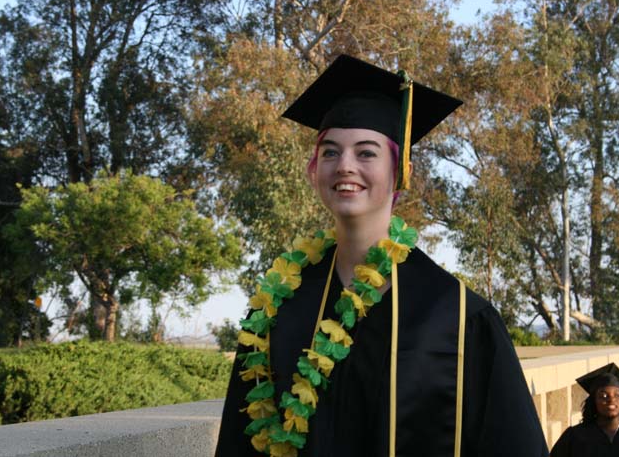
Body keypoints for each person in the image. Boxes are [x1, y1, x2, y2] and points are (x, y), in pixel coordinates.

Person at [215, 54, 548, 456]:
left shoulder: (457, 316)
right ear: (312, 170)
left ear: (401, 172)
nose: (345, 167)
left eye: (367, 153)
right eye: (331, 152)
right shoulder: (276, 310)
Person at [550, 363, 619, 457]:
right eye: (603, 396)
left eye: (617, 395)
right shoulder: (574, 437)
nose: (611, 400)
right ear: (593, 401)